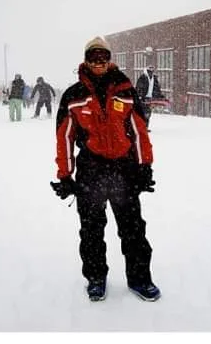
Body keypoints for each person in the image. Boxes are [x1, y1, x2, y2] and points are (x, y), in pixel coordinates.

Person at [50, 36, 160, 302]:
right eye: (93, 57)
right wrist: (65, 175)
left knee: (133, 229)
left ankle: (139, 279)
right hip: (91, 171)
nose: (98, 62)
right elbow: (64, 137)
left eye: (103, 57)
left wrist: (145, 166)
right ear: (86, 60)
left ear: (109, 59)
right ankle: (96, 278)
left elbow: (139, 131)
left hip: (124, 170)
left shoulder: (124, 89)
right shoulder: (74, 95)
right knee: (91, 231)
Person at [135, 65, 165, 129]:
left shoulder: (154, 78)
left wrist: (160, 96)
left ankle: (145, 127)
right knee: (143, 112)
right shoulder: (143, 77)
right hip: (143, 98)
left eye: (152, 70)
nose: (151, 72)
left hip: (150, 98)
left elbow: (157, 88)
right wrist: (139, 96)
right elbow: (139, 87)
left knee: (148, 113)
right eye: (149, 70)